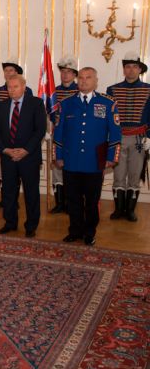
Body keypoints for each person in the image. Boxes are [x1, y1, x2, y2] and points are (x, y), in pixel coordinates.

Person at [54, 67, 122, 246]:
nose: (84, 81)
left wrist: (111, 157)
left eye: (88, 77)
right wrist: (58, 156)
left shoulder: (108, 103)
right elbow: (58, 132)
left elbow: (115, 133)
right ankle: (75, 231)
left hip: (94, 162)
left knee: (92, 202)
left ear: (96, 81)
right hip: (71, 161)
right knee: (73, 200)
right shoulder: (66, 103)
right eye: (81, 78)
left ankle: (90, 232)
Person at [0, 75, 46, 238]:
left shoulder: (36, 103)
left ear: (24, 87)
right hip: (8, 157)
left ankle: (31, 225)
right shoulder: (2, 106)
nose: (12, 90)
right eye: (9, 87)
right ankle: (10, 222)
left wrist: (25, 150)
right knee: (8, 192)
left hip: (29, 157)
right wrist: (4, 150)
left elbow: (40, 130)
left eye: (15, 86)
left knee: (31, 193)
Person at [106, 52, 150, 222]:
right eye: (128, 67)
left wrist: (149, 137)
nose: (131, 70)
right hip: (118, 138)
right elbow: (109, 116)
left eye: (134, 67)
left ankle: (130, 210)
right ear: (124, 69)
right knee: (118, 175)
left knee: (134, 175)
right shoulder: (112, 90)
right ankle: (119, 209)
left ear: (140, 69)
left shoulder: (148, 89)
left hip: (139, 139)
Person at [0, 58, 34, 208]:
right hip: (5, 144)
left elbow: (33, 123)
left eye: (11, 70)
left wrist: (25, 149)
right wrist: (2, 147)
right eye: (6, 70)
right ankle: (7, 205)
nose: (8, 73)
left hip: (26, 148)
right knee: (6, 179)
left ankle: (21, 208)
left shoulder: (30, 94)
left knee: (28, 187)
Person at [50, 55, 79, 213]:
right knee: (57, 170)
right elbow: (50, 113)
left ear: (74, 74)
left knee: (72, 169)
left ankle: (71, 204)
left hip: (74, 137)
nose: (65, 74)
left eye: (68, 72)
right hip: (58, 135)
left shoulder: (80, 91)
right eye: (63, 71)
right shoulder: (54, 92)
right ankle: (59, 203)